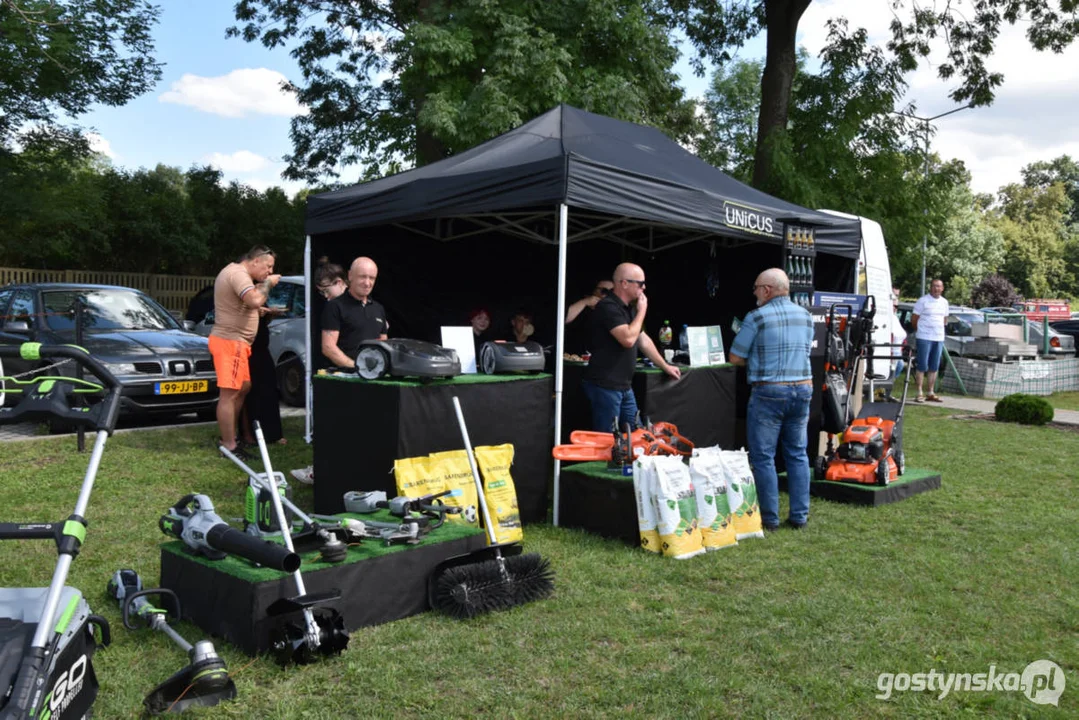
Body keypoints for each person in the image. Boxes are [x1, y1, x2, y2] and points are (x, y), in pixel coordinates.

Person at [729, 268, 814, 531]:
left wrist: (757, 358)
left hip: (769, 391)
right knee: (797, 454)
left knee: (763, 457)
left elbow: (735, 357)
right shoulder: (806, 316)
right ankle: (799, 516)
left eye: (756, 287)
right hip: (802, 389)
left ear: (766, 289)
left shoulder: (756, 317)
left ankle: (770, 518)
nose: (754, 292)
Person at [581, 263, 681, 431]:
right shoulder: (608, 307)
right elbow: (627, 339)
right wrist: (642, 311)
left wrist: (665, 366)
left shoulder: (628, 309)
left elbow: (642, 339)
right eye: (640, 283)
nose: (644, 287)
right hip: (605, 385)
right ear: (624, 283)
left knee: (637, 434)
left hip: (624, 386)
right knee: (607, 438)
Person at [208, 245, 280, 459]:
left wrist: (259, 312)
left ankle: (231, 437)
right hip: (230, 342)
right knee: (229, 394)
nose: (269, 271)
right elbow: (254, 299)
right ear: (255, 260)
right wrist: (268, 284)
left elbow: (247, 305)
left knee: (243, 387)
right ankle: (229, 445)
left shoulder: (235, 273)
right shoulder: (239, 274)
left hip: (238, 344)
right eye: (268, 266)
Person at [291, 258, 348, 486]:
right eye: (321, 292)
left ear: (341, 282)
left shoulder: (342, 306)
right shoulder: (332, 306)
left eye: (327, 290)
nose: (325, 296)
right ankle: (320, 469)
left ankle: (322, 470)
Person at [321, 256, 389, 368]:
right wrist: (357, 367)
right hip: (344, 377)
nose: (367, 283)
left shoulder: (378, 308)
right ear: (350, 275)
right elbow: (328, 347)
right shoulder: (335, 306)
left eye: (372, 278)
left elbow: (384, 344)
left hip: (374, 376)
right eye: (362, 277)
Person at [241, 306, 286, 446]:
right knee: (250, 392)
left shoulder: (260, 295)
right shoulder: (244, 292)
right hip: (247, 348)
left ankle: (272, 433)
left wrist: (268, 314)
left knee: (269, 390)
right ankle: (250, 434)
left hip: (262, 349)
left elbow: (261, 322)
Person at [911, 279, 948, 403]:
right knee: (922, 365)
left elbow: (945, 320)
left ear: (942, 288)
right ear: (930, 287)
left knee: (934, 366)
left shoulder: (944, 302)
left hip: (938, 337)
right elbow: (914, 319)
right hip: (924, 337)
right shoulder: (923, 301)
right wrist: (920, 330)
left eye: (938, 286)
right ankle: (919, 392)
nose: (936, 288)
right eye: (934, 286)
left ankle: (930, 392)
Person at [886, 288, 908, 401]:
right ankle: (884, 392)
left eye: (897, 307)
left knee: (898, 366)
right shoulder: (887, 318)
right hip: (889, 352)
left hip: (897, 352)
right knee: (896, 367)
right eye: (894, 306)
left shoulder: (895, 318)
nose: (895, 309)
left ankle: (886, 392)